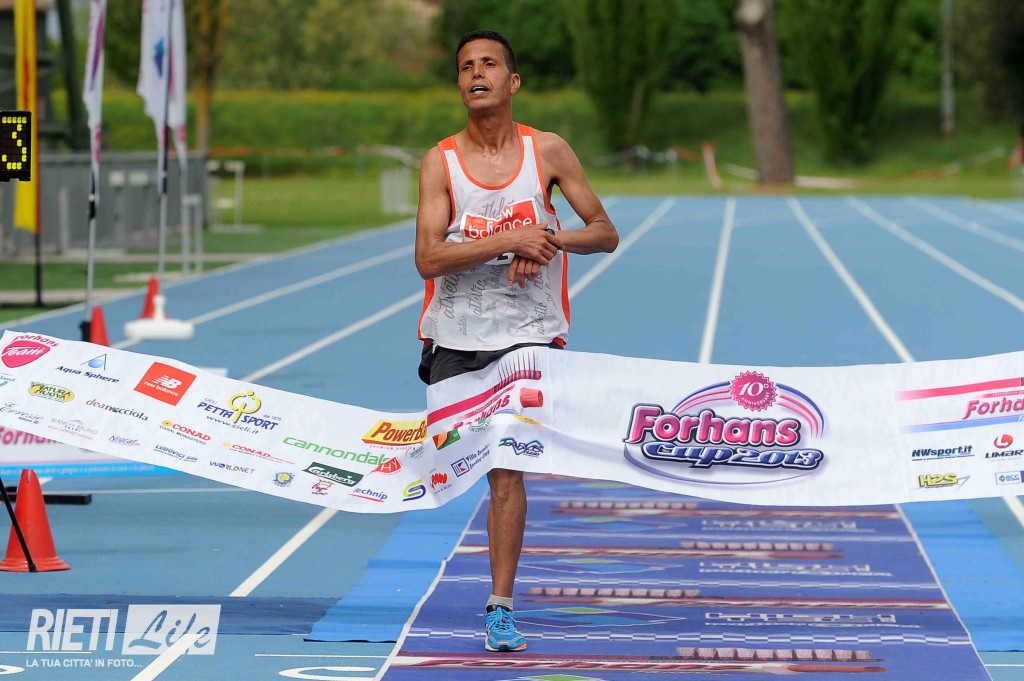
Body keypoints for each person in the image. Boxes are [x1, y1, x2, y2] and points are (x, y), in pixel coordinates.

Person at [414, 29, 619, 652]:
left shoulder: (547, 151)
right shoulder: (440, 161)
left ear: (513, 81)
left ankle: (499, 605)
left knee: (507, 469)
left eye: (489, 64)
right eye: (465, 67)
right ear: (459, 84)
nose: (476, 74)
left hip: (528, 338)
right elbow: (428, 258)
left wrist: (548, 238)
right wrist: (510, 239)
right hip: (454, 338)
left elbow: (604, 231)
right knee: (449, 465)